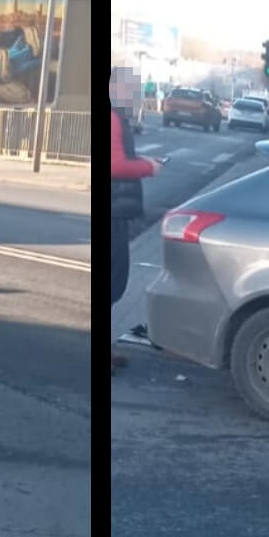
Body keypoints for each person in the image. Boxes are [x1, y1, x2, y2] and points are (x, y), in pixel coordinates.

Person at [110, 96, 156, 374]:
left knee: (116, 281)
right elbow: (115, 165)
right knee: (113, 281)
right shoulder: (113, 118)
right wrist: (148, 167)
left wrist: (142, 161)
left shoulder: (119, 118)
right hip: (114, 212)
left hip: (118, 211)